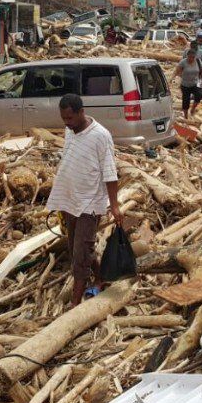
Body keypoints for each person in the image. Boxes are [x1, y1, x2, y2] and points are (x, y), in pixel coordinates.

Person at [45, 94, 125, 305]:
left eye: (70, 118)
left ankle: (75, 304)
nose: (67, 123)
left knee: (80, 257)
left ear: (81, 112)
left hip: (90, 204)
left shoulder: (100, 136)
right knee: (77, 251)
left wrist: (114, 206)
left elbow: (110, 173)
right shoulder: (70, 131)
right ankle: (100, 277)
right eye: (64, 118)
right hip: (70, 201)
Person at [173, 48, 202, 118]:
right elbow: (176, 71)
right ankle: (185, 115)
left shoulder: (198, 61)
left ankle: (193, 108)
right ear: (187, 56)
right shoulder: (183, 62)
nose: (191, 59)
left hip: (195, 83)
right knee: (186, 101)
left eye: (193, 57)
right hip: (185, 85)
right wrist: (174, 78)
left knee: (199, 95)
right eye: (190, 57)